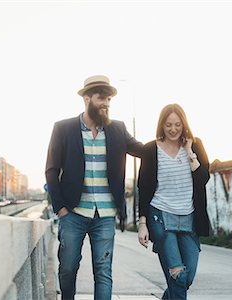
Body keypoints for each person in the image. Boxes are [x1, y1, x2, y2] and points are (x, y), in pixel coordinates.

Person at [45, 75, 143, 300]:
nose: (106, 103)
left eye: (109, 99)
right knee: (68, 269)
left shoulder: (117, 129)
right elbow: (51, 169)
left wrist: (171, 141)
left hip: (106, 214)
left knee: (103, 271)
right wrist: (60, 208)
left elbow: (142, 150)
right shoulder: (63, 128)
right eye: (101, 98)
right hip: (73, 213)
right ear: (86, 98)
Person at [137, 103, 211, 300]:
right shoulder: (150, 149)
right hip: (160, 215)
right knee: (177, 274)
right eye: (168, 125)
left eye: (177, 124)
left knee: (188, 276)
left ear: (184, 124)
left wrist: (189, 151)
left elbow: (204, 178)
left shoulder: (195, 145)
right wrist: (142, 224)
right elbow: (143, 188)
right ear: (161, 125)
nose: (173, 129)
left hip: (189, 217)